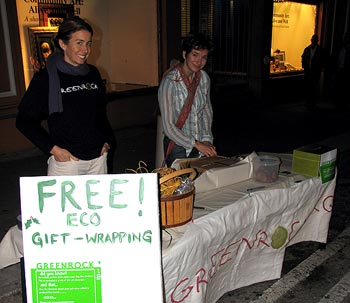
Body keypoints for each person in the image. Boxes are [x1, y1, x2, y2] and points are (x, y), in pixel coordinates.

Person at [16, 16, 115, 176]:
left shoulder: (93, 73)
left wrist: (106, 141)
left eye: (88, 43)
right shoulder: (45, 78)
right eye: (79, 43)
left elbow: (100, 114)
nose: (85, 50)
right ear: (62, 44)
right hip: (67, 162)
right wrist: (54, 150)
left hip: (98, 158)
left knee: (98, 202)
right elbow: (23, 121)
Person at [158, 34, 217, 167]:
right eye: (195, 55)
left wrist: (207, 139)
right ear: (185, 54)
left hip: (200, 142)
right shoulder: (170, 82)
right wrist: (196, 144)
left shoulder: (204, 78)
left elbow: (207, 111)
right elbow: (168, 127)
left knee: (200, 183)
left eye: (204, 57)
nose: (199, 61)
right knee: (180, 184)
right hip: (178, 144)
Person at [301, 34, 328, 109]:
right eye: (313, 39)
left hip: (315, 72)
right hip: (308, 72)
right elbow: (303, 58)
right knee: (308, 87)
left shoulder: (320, 50)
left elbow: (323, 60)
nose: (314, 41)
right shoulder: (307, 49)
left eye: (315, 39)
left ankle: (312, 103)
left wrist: (320, 69)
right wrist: (305, 68)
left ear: (317, 41)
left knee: (314, 88)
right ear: (311, 40)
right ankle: (308, 102)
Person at [332, 32, 350, 109]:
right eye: (344, 38)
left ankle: (342, 104)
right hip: (339, 69)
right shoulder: (339, 48)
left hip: (345, 71)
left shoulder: (348, 49)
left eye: (346, 38)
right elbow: (335, 58)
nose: (345, 39)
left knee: (343, 87)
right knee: (337, 86)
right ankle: (338, 103)